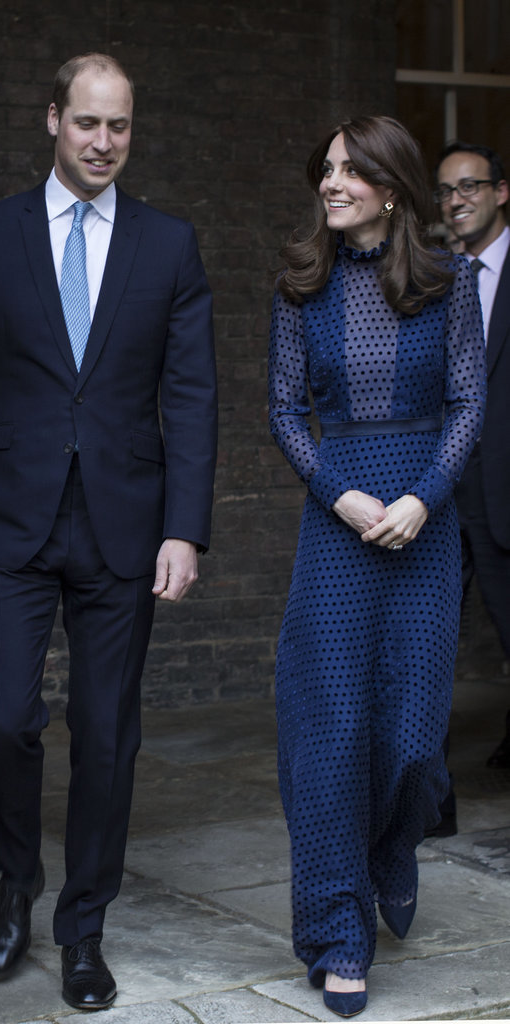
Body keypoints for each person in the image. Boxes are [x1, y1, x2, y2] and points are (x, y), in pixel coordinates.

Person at [0, 53, 217, 1013]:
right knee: (3, 718)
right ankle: (14, 881)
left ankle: (84, 927)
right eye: (87, 123)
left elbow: (194, 397)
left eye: (119, 127)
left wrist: (186, 529)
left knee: (107, 735)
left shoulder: (168, 246)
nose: (103, 143)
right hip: (6, 518)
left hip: (125, 527)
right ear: (52, 120)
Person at [268, 115, 485, 1018]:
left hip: (423, 531)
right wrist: (337, 492)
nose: (331, 183)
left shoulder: (450, 283)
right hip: (337, 529)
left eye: (351, 171)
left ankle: (391, 853)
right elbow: (281, 407)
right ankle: (336, 929)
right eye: (325, 169)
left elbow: (471, 400)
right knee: (328, 734)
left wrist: (425, 497)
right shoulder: (299, 286)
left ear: (391, 188)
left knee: (407, 740)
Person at [436, 143, 510, 769]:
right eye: (446, 191)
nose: (456, 200)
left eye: (470, 186)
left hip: (506, 489)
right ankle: (429, 794)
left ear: (500, 192)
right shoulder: (435, 276)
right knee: (428, 642)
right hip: (440, 494)